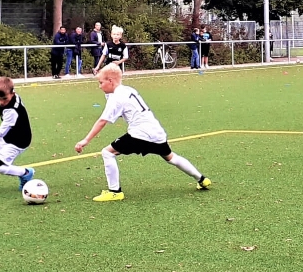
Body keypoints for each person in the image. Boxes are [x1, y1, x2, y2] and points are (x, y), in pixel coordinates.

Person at [74, 65, 212, 201]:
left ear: (110, 81)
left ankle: (115, 192)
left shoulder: (117, 97)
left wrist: (85, 140)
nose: (99, 86)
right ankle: (202, 179)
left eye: (101, 82)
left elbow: (102, 121)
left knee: (107, 153)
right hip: (156, 132)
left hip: (140, 134)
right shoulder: (128, 90)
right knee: (171, 157)